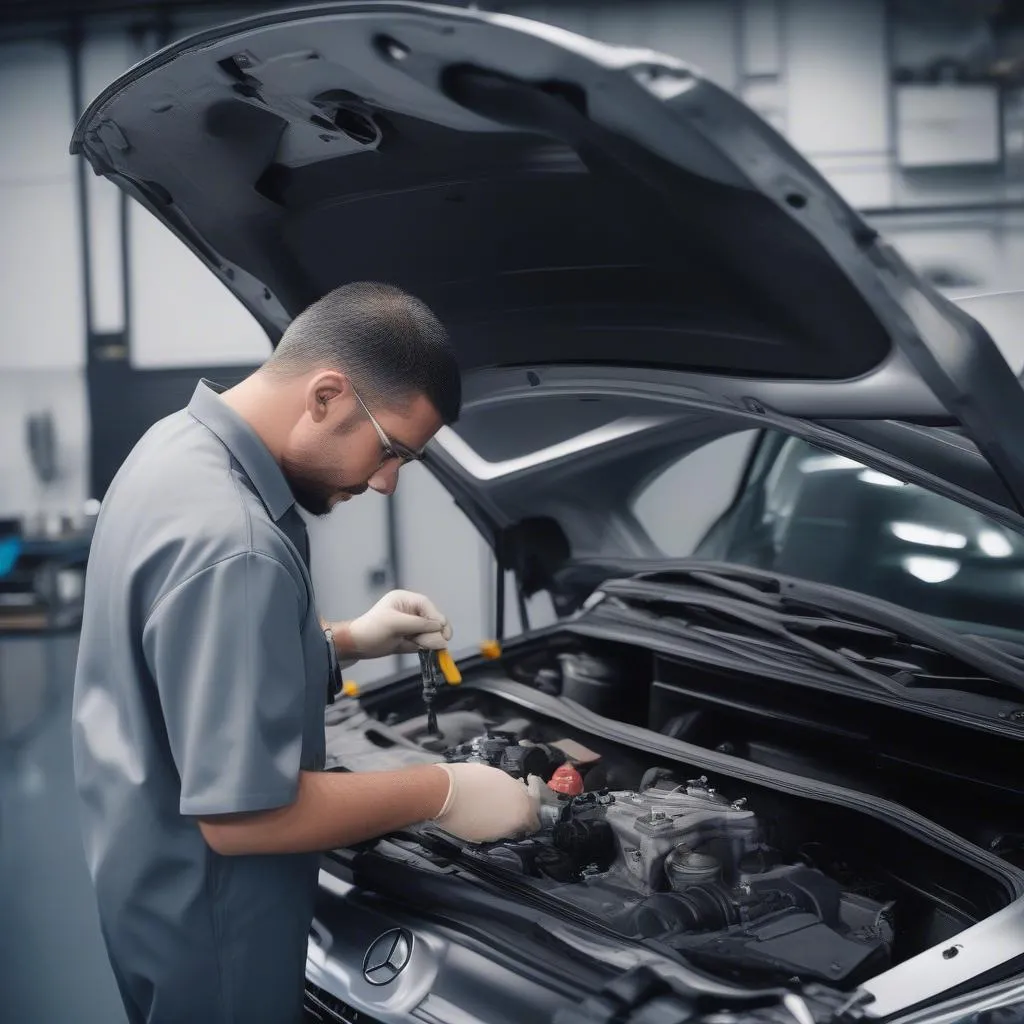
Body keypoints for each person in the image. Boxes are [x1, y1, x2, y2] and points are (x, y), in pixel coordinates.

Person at [71, 282, 541, 1024]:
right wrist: (444, 790)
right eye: (392, 453)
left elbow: (180, 664)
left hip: (153, 887)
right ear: (326, 395)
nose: (386, 483)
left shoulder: (173, 451)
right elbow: (246, 817)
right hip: (222, 933)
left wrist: (345, 641)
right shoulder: (237, 544)